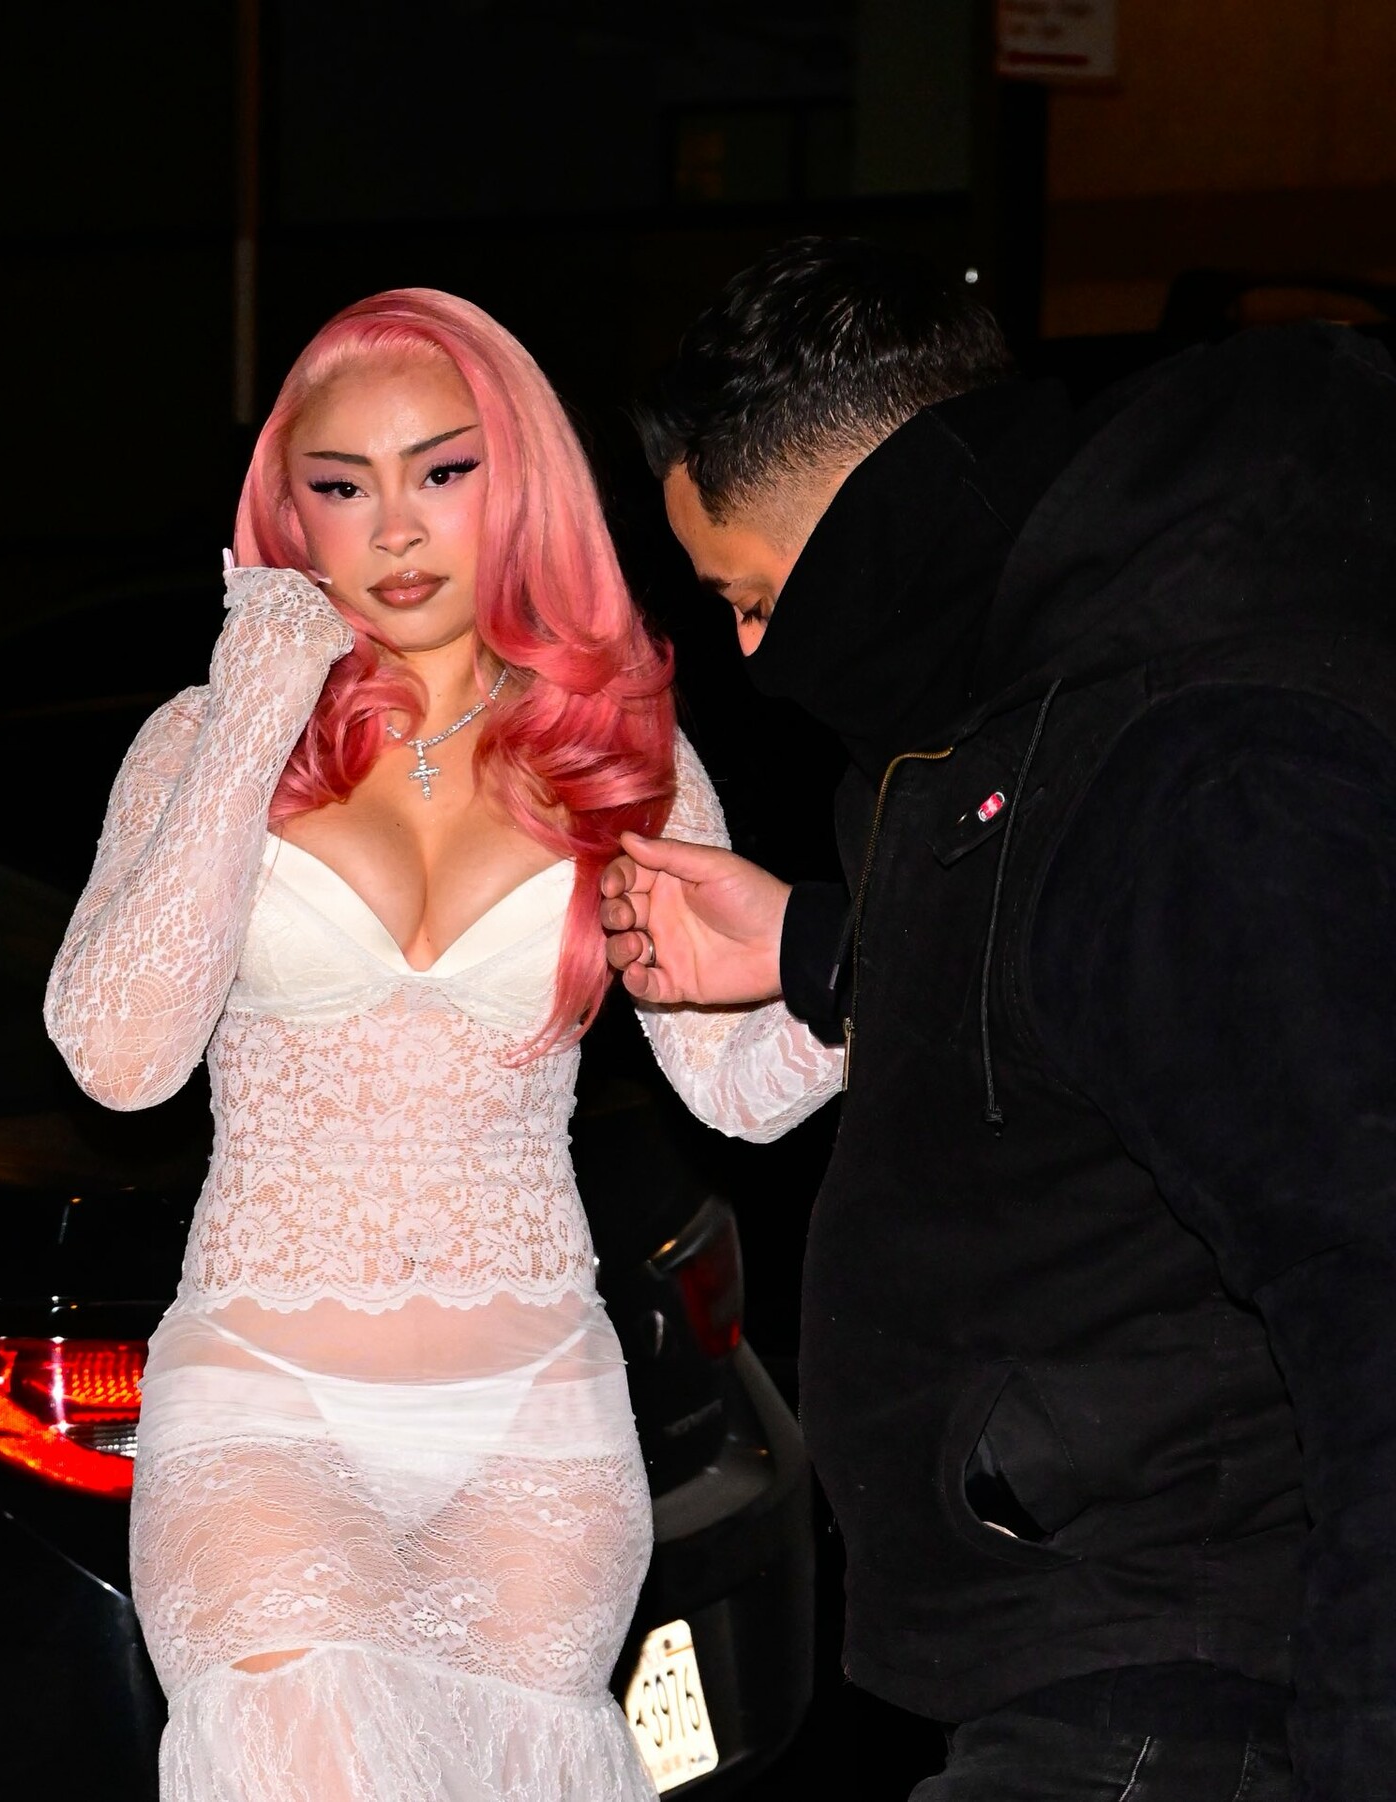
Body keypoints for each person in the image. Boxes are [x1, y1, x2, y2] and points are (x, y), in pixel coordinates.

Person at [602, 237, 1396, 1800]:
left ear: (864, 517)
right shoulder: (1039, 698)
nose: (754, 655)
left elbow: (1363, 1261)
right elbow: (1079, 1002)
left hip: (1177, 1686)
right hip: (1092, 1662)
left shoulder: (1194, 748)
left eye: (754, 597)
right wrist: (817, 944)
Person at [42, 287, 842, 1800]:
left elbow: (739, 1090)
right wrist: (255, 702)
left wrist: (867, 967)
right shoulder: (204, 738)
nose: (397, 528)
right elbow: (120, 1059)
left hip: (533, 1417)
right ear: (290, 513)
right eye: (344, 487)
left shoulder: (620, 751)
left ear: (518, 480)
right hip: (263, 1396)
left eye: (443, 471)